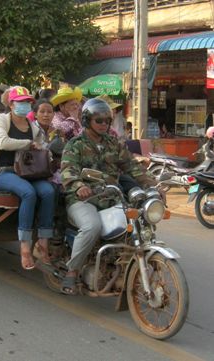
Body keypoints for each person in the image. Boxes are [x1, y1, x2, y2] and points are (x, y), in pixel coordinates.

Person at [60, 98, 159, 295]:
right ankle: (72, 271)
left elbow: (131, 166)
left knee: (138, 219)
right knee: (92, 226)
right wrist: (79, 186)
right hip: (82, 199)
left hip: (111, 197)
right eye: (99, 121)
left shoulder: (113, 143)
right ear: (87, 121)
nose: (105, 124)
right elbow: (68, 171)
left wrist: (152, 184)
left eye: (107, 121)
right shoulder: (75, 145)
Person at [0, 86, 55, 271]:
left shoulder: (32, 126)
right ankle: (25, 247)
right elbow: (2, 142)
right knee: (28, 193)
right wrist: (28, 144)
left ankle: (43, 243)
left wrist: (42, 149)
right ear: (11, 103)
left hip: (28, 172)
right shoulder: (2, 119)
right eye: (20, 102)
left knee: (48, 192)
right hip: (3, 171)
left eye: (27, 102)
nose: (24, 106)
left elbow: (42, 146)